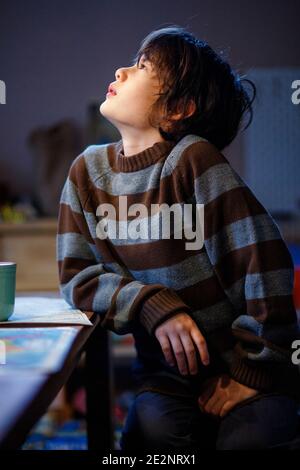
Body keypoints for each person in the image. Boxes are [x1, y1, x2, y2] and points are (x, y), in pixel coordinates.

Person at [56, 25, 300, 450]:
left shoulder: (193, 159)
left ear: (178, 108)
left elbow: (266, 262)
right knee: (149, 438)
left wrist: (254, 375)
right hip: (165, 377)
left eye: (142, 66)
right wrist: (152, 305)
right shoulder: (86, 173)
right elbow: (77, 276)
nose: (122, 70)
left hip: (244, 363)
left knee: (253, 439)